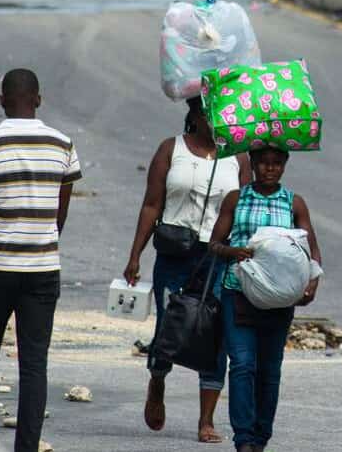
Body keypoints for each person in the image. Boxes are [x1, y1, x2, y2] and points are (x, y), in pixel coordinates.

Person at [0, 69, 81, 452]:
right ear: (38, 100)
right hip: (43, 272)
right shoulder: (63, 144)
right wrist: (41, 241)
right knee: (33, 365)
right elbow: (60, 213)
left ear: (1, 100)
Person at [123, 97, 251, 442]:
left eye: (223, 114)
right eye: (208, 113)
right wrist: (135, 255)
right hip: (175, 254)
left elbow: (244, 211)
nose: (216, 120)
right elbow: (152, 204)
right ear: (193, 115)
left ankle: (205, 420)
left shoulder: (238, 157)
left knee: (216, 333)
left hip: (218, 256)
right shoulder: (170, 149)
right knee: (170, 327)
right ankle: (158, 380)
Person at [208, 146, 322, 452]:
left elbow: (311, 249)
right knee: (243, 365)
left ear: (284, 166)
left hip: (280, 298)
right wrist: (234, 252)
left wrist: (312, 282)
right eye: (263, 163)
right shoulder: (236, 198)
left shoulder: (294, 203)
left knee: (270, 369)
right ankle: (244, 439)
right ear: (254, 165)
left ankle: (261, 437)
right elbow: (214, 244)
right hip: (239, 291)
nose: (269, 169)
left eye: (276, 164)